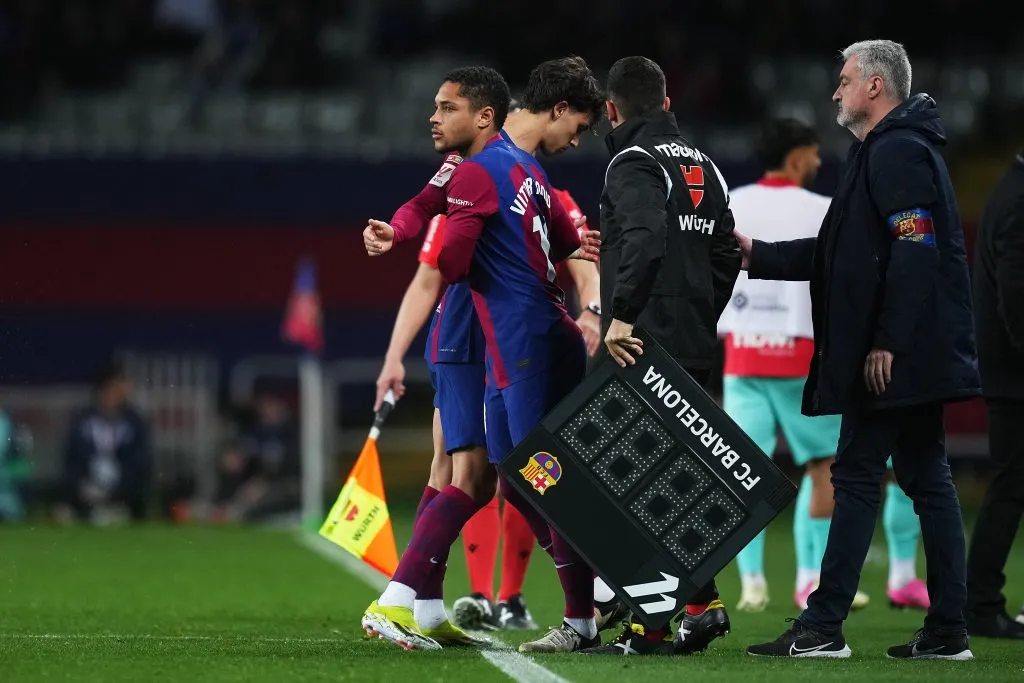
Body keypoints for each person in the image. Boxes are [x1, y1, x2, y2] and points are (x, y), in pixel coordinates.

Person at [742, 39, 979, 660]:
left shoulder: (897, 150)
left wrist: (886, 343)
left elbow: (916, 249)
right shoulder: (885, 149)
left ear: (875, 86)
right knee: (927, 482)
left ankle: (823, 629)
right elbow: (841, 252)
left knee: (856, 475)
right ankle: (949, 632)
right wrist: (758, 256)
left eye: (844, 80)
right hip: (912, 352)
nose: (835, 92)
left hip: (897, 357)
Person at [361, 59, 604, 651]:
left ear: (485, 114)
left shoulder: (522, 174)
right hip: (478, 333)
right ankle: (418, 602)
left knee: (482, 473)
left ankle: (417, 602)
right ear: (557, 110)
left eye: (446, 108)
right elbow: (429, 222)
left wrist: (585, 283)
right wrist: (397, 231)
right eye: (580, 124)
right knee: (471, 471)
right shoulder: (486, 169)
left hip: (507, 334)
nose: (580, 138)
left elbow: (556, 246)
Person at [719, 118, 924, 614]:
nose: (817, 163)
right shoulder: (821, 209)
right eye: (812, 155)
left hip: (742, 353)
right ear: (796, 157)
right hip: (797, 356)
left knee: (743, 473)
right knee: (824, 468)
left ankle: (750, 584)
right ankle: (811, 578)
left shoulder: (732, 202)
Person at [582, 55, 741, 656]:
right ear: (668, 105)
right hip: (695, 341)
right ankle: (701, 606)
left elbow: (646, 238)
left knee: (634, 485)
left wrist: (622, 317)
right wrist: (701, 310)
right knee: (671, 484)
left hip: (641, 342)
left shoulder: (632, 162)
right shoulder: (706, 166)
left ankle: (651, 625)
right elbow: (726, 254)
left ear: (612, 110)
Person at [964, 151, 1024, 638]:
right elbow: (1016, 301)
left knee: (1010, 488)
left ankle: (981, 600)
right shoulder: (1019, 201)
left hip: (1009, 373)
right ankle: (980, 604)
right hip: (1016, 377)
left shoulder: (1010, 192)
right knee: (1009, 489)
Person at [60, 363, 152, 525]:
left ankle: (114, 511)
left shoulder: (134, 422)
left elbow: (141, 462)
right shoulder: (83, 420)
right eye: (120, 385)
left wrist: (118, 486)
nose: (125, 391)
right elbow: (71, 458)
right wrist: (83, 485)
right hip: (87, 488)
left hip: (123, 492)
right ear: (106, 387)